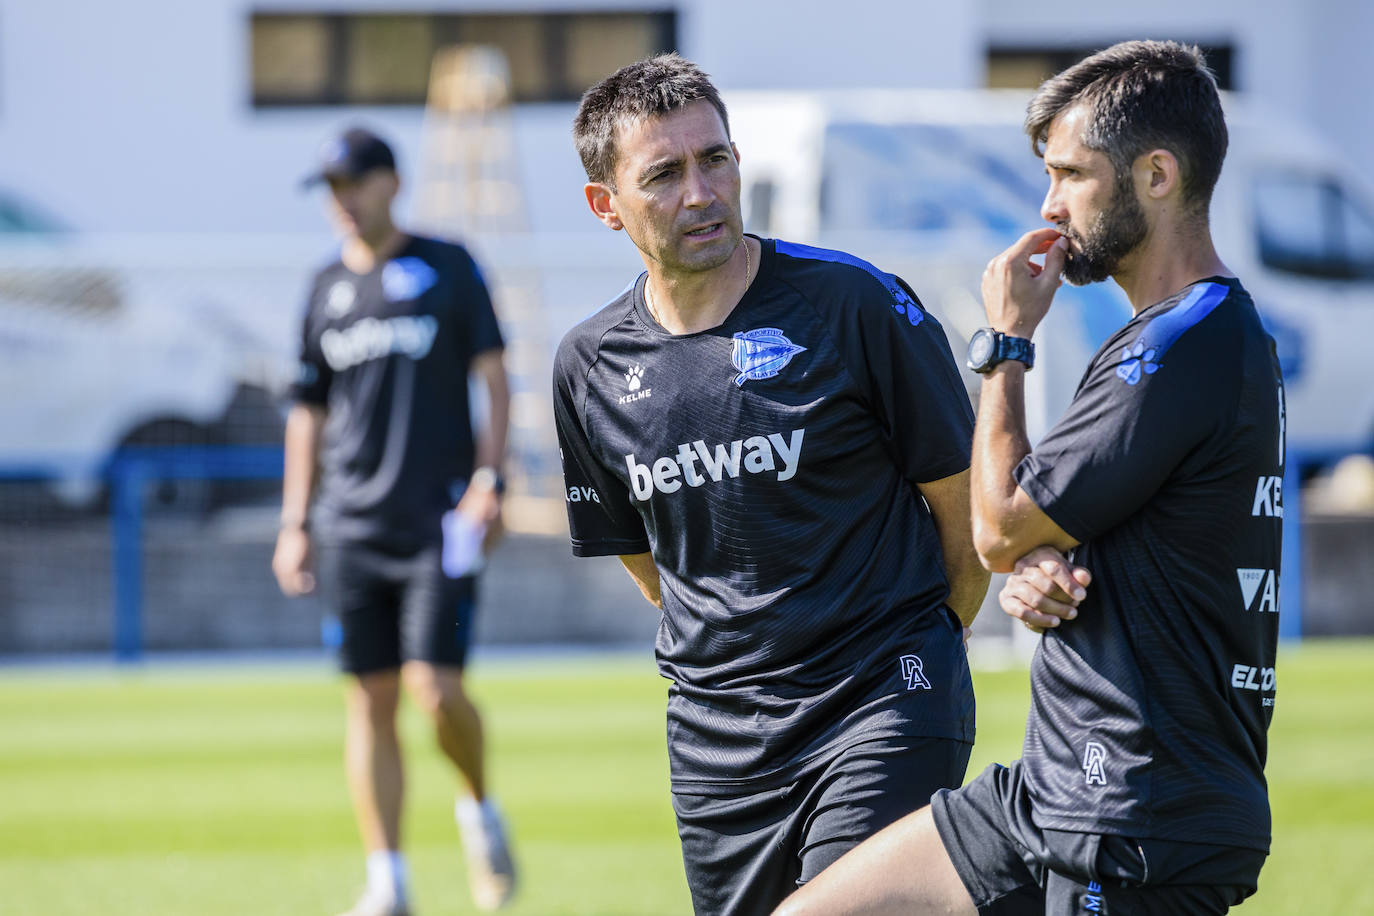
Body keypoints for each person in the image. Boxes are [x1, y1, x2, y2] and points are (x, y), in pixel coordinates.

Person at [774, 40, 1283, 915]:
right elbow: (1059, 532)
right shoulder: (1182, 337)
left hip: (1135, 810)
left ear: (1156, 175)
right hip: (1054, 791)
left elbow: (1001, 524)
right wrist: (1042, 568)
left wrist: (1006, 344)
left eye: (1070, 175)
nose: (1048, 206)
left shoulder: (1181, 346)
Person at [552, 54, 990, 916]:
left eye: (716, 159)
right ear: (608, 205)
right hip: (718, 744)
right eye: (665, 175)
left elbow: (964, 506)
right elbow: (652, 567)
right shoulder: (587, 366)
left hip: (883, 695)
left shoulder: (854, 305)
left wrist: (934, 638)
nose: (701, 192)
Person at [271, 127, 517, 916]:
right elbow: (306, 415)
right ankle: (389, 882)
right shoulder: (321, 289)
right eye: (330, 188)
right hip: (350, 530)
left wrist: (491, 480)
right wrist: (295, 521)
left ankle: (478, 806)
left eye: (354, 182)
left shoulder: (449, 266)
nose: (341, 201)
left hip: (437, 523)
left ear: (392, 183)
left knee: (436, 692)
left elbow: (495, 377)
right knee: (369, 703)